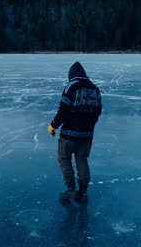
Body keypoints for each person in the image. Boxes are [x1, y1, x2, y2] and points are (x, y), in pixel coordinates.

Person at [47, 61, 102, 201]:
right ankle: (83, 193)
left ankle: (71, 190)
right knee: (82, 160)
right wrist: (89, 127)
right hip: (87, 136)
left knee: (64, 159)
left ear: (71, 75)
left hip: (69, 135)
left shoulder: (71, 86)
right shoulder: (95, 89)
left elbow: (63, 110)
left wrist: (53, 125)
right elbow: (97, 112)